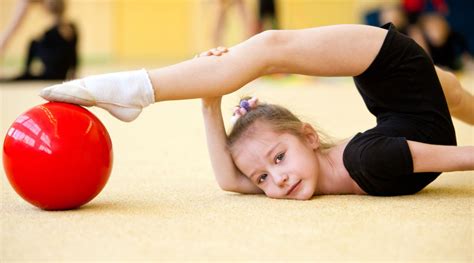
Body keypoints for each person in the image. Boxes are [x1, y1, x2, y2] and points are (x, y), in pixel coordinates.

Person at [39, 23, 474, 199]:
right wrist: (210, 98)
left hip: (392, 75)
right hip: (400, 81)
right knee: (449, 90)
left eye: (277, 160)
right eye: (263, 177)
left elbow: (229, 180)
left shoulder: (362, 162)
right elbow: (457, 155)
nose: (277, 179)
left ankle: (135, 90)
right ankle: (141, 89)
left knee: (270, 47)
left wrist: (211, 99)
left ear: (309, 136)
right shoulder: (352, 162)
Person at [0, 0, 78, 80]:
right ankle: (26, 73)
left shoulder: (50, 32)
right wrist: (74, 72)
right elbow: (74, 54)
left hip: (51, 73)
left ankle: (26, 71)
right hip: (62, 74)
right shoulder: (72, 27)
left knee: (34, 43)